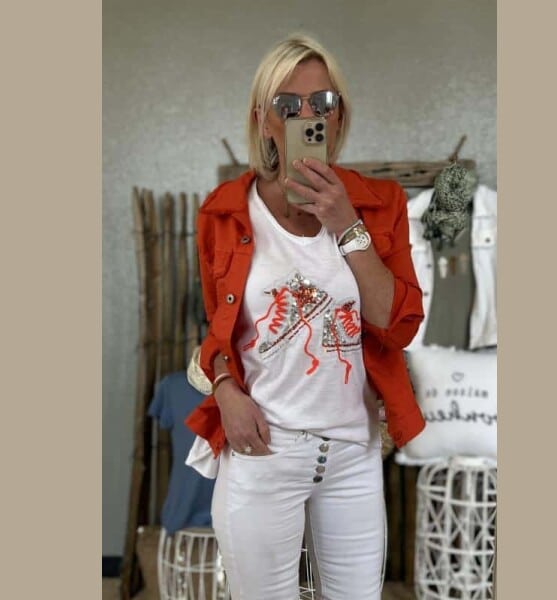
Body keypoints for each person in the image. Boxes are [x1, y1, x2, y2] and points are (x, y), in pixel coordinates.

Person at [185, 32, 426, 600]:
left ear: (340, 115)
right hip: (263, 449)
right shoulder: (224, 212)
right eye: (287, 105)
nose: (307, 116)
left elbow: (399, 324)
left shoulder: (380, 204)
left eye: (323, 102)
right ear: (263, 121)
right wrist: (225, 389)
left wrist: (346, 224)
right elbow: (218, 334)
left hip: (353, 455)